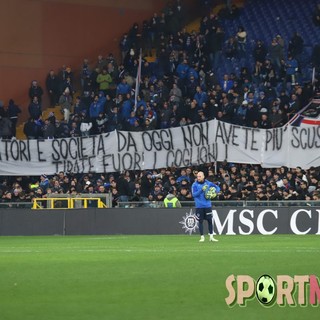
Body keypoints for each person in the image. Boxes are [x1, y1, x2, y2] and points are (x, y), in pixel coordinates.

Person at [192, 171, 220, 242]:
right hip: (199, 206)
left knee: (210, 221)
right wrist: (202, 190)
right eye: (197, 176)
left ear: (203, 176)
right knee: (200, 221)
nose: (198, 178)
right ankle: (202, 237)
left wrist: (215, 192)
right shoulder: (194, 185)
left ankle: (211, 237)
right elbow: (194, 195)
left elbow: (217, 188)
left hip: (207, 206)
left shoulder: (208, 183)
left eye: (200, 176)